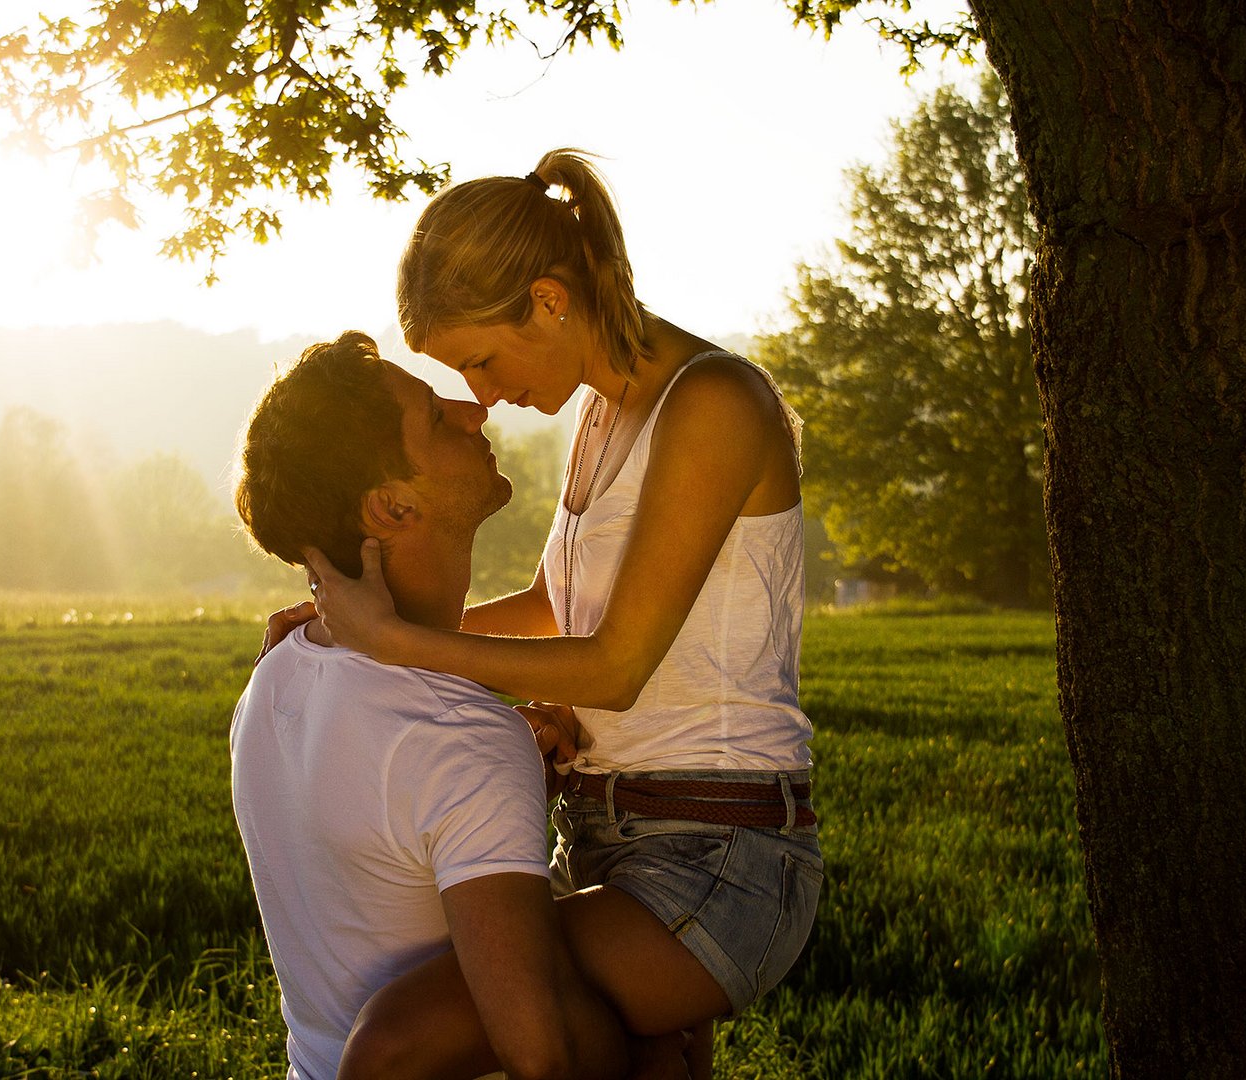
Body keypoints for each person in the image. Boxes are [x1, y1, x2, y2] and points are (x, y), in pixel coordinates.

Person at [295, 150, 823, 1078]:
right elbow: (553, 607)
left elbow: (616, 665)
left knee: (396, 1045)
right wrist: (340, 631)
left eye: (482, 360)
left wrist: (393, 641)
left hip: (717, 858)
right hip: (599, 833)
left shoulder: (713, 404)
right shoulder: (603, 415)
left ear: (547, 300)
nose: (486, 396)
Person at [230, 331, 643, 1080]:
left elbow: (381, 840)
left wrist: (505, 795)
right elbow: (545, 1054)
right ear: (392, 507)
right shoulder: (462, 737)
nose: (472, 409)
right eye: (434, 415)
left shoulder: (276, 674)